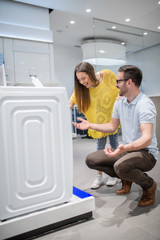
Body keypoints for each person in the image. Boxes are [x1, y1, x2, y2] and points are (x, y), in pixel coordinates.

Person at [72, 65, 158, 207]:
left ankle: (149, 186)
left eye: (118, 81)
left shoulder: (145, 105)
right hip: (127, 150)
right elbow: (112, 126)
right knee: (92, 160)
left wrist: (124, 148)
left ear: (129, 82)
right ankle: (127, 178)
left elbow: (146, 139)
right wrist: (90, 125)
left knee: (120, 166)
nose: (115, 84)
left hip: (146, 153)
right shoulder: (119, 103)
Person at [69, 62, 120, 189]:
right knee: (100, 150)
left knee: (114, 147)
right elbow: (70, 102)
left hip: (112, 121)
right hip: (98, 124)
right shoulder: (81, 89)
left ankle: (115, 175)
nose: (81, 82)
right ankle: (99, 176)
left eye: (83, 78)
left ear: (90, 73)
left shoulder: (107, 75)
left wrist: (120, 97)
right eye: (79, 80)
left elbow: (119, 88)